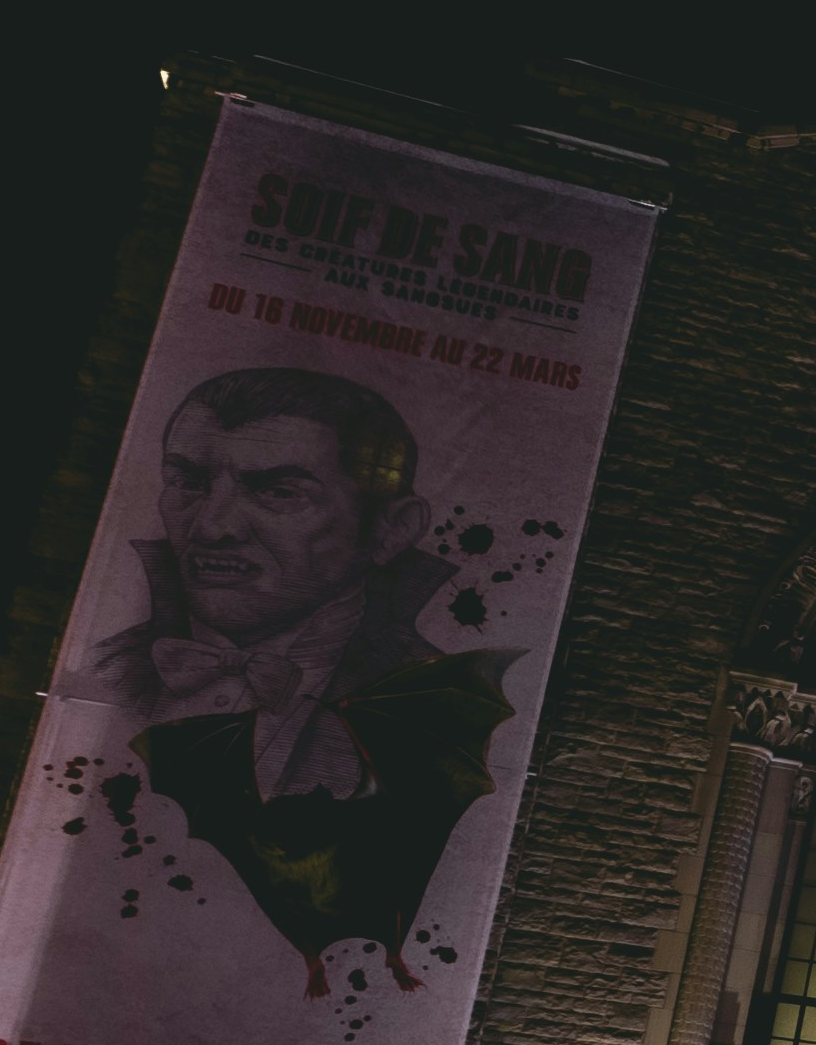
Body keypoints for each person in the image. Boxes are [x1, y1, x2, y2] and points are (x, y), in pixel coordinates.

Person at [81, 365, 521, 992]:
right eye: (188, 481)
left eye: (278, 492)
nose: (211, 525)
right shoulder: (106, 677)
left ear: (392, 529)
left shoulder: (433, 705)